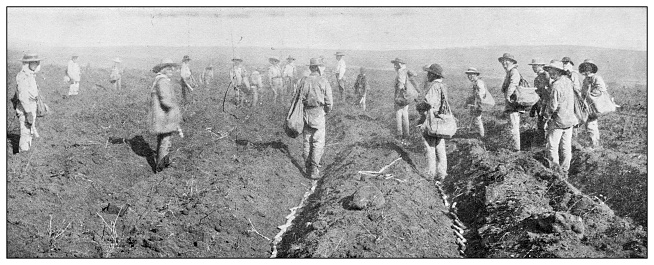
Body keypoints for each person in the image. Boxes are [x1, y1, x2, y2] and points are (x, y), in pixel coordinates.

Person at [297, 58, 333, 179]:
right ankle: (314, 169)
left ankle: (308, 167)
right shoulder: (323, 81)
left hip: (306, 113)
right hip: (318, 113)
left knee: (307, 141)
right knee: (318, 142)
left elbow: (299, 98)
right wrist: (325, 111)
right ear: (318, 68)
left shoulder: (304, 81)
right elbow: (329, 102)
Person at [542, 60, 578, 173]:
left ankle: (555, 171)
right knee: (566, 147)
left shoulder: (556, 85)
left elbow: (552, 106)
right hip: (570, 120)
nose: (550, 73)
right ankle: (565, 170)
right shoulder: (568, 82)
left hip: (558, 121)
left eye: (552, 71)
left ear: (558, 71)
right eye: (549, 70)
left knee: (552, 145)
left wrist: (545, 118)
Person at [149, 58, 183, 173]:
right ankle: (161, 168)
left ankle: (161, 165)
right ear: (163, 69)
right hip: (164, 116)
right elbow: (165, 100)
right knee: (165, 142)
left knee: (163, 140)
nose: (172, 70)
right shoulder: (162, 81)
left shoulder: (160, 80)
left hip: (162, 116)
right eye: (169, 68)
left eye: (172, 67)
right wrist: (174, 109)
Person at [418, 63, 449, 181]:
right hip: (441, 121)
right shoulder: (443, 86)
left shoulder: (434, 86)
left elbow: (428, 103)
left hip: (431, 120)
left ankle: (431, 173)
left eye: (428, 73)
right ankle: (442, 173)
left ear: (432, 74)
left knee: (429, 146)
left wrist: (419, 107)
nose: (427, 75)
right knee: (440, 146)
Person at [14, 53, 43, 152]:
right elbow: (23, 97)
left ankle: (26, 150)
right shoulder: (23, 76)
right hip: (26, 108)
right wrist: (28, 112)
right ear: (27, 63)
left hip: (31, 106)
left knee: (29, 130)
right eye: (33, 62)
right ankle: (23, 153)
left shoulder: (30, 75)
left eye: (36, 62)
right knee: (26, 132)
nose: (35, 64)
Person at [579, 59, 606, 148]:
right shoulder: (586, 79)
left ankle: (595, 145)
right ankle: (593, 143)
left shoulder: (596, 78)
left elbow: (601, 89)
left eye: (588, 68)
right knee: (588, 124)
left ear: (591, 69)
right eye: (585, 68)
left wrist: (590, 95)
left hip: (593, 104)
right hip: (586, 104)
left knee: (591, 124)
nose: (586, 71)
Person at [499, 53, 523, 151]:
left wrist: (508, 95)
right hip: (511, 104)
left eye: (506, 61)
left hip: (514, 104)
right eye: (503, 61)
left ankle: (516, 148)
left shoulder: (514, 72)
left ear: (512, 62)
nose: (504, 63)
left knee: (514, 126)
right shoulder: (510, 72)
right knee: (513, 125)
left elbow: (513, 84)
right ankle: (514, 147)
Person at [528, 58, 551, 144]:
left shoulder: (546, 76)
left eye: (535, 66)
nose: (533, 67)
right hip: (540, 103)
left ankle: (545, 143)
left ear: (541, 66)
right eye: (533, 66)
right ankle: (542, 142)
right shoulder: (537, 78)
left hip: (545, 103)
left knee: (545, 124)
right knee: (541, 123)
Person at [464, 67, 488, 138]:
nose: (470, 76)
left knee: (477, 120)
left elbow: (481, 94)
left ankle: (482, 136)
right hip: (475, 104)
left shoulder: (479, 82)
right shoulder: (475, 83)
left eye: (472, 75)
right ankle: (478, 135)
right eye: (468, 75)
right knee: (475, 120)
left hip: (478, 104)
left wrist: (477, 105)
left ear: (476, 75)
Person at [392, 57, 411, 141]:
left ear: (399, 64)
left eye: (395, 64)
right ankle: (406, 135)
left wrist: (396, 97)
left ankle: (399, 134)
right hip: (406, 97)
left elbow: (400, 85)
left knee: (399, 114)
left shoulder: (400, 72)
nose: (394, 66)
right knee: (405, 114)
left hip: (401, 97)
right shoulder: (406, 71)